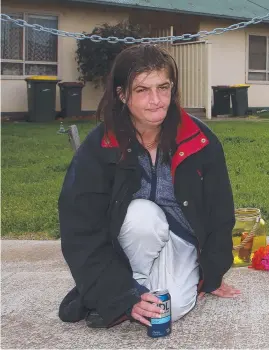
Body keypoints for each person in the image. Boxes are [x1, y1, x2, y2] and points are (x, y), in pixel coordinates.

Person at [57, 44, 240, 329]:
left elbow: (220, 211)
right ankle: (124, 293)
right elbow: (80, 230)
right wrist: (119, 293)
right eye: (142, 90)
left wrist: (213, 274)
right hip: (127, 241)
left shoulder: (200, 140)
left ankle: (135, 294)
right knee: (143, 216)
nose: (156, 100)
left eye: (163, 88)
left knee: (171, 308)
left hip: (180, 241)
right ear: (122, 94)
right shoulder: (100, 148)